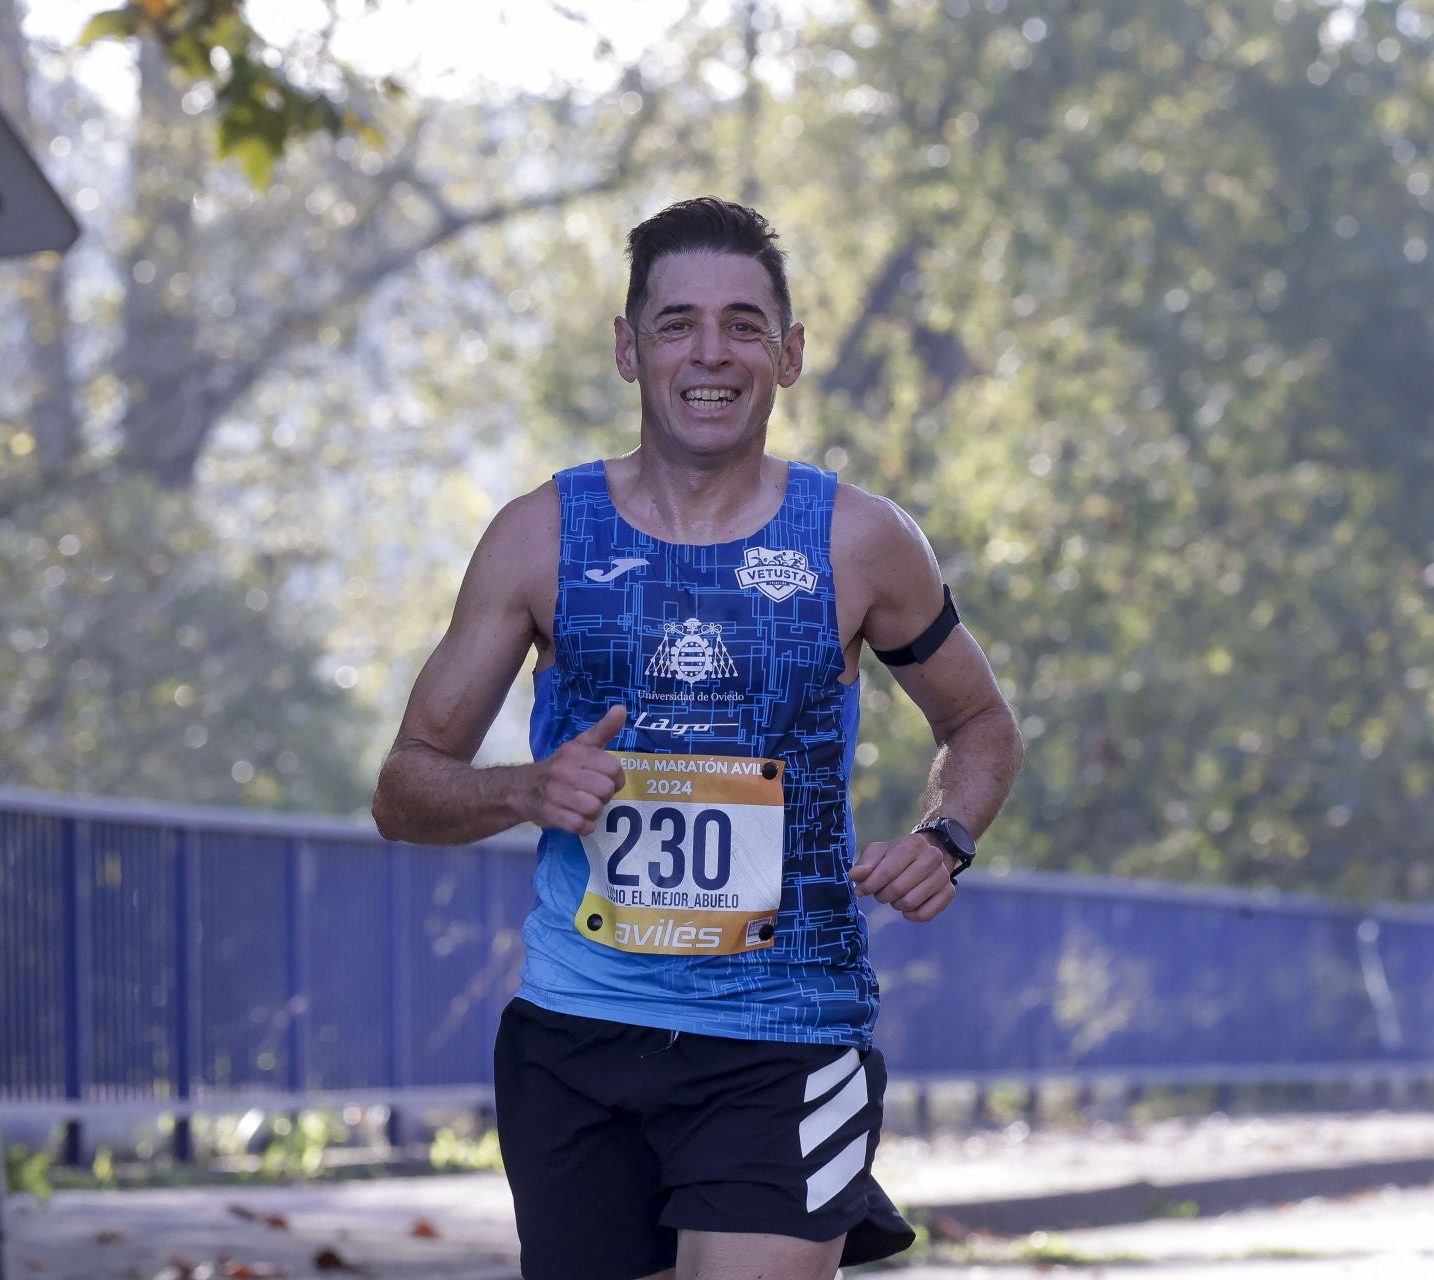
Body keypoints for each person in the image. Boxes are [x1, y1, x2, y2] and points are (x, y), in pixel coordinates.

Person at [369, 197, 1024, 1280]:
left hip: (790, 1027)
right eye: (676, 323)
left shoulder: (861, 540)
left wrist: (947, 831)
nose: (709, 352)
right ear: (630, 349)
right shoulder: (540, 536)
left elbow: (980, 720)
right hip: (578, 1032)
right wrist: (527, 789)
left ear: (791, 351)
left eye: (742, 323)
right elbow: (405, 789)